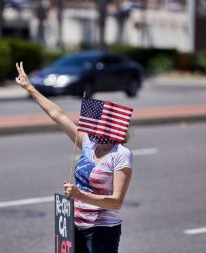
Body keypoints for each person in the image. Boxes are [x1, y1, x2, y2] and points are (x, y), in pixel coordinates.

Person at [15, 62, 133, 253]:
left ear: (112, 129)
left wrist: (80, 195)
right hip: (74, 225)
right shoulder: (89, 143)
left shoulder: (121, 155)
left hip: (101, 230)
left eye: (99, 125)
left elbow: (116, 202)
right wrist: (30, 88)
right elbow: (58, 115)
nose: (93, 129)